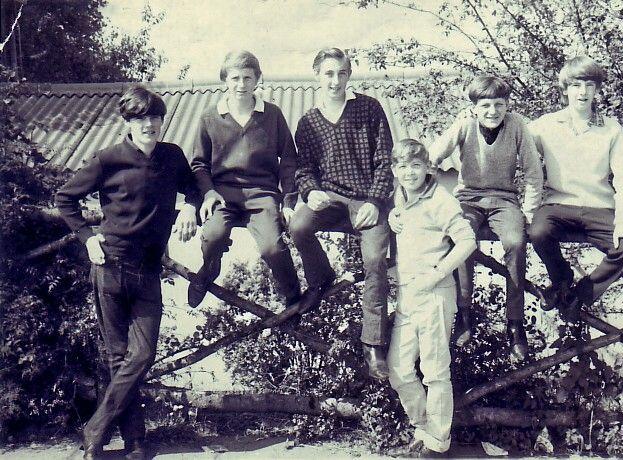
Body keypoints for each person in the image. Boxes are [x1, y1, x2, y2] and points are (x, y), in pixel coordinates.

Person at [55, 86, 200, 460]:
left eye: (154, 117)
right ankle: (135, 441)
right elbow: (65, 199)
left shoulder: (172, 157)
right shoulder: (108, 159)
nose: (149, 124)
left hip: (148, 272)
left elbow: (195, 187)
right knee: (119, 360)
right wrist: (87, 237)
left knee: (143, 355)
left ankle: (95, 428)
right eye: (140, 119)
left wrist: (189, 206)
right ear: (128, 122)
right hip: (110, 267)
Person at [414, 75, 544, 360]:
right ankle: (464, 313)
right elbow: (431, 157)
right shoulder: (464, 123)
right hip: (468, 198)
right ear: (473, 107)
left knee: (515, 241)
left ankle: (515, 323)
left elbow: (534, 172)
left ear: (507, 106)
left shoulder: (517, 125)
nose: (492, 111)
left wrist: (530, 209)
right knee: (462, 239)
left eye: (499, 104)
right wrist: (427, 197)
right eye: (485, 105)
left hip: (504, 200)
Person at [287, 47, 394, 380]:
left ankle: (373, 343)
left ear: (349, 75)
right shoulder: (308, 122)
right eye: (329, 73)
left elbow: (385, 162)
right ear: (317, 74)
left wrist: (376, 202)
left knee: (375, 261)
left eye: (342, 73)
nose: (335, 80)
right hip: (330, 200)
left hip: (367, 201)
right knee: (300, 227)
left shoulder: (369, 108)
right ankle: (321, 279)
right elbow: (303, 168)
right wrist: (311, 191)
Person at [188, 50, 302, 310]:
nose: (241, 85)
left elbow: (288, 159)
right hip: (223, 194)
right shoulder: (209, 116)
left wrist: (288, 201)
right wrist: (207, 192)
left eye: (248, 78)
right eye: (235, 78)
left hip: (262, 194)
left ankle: (294, 299)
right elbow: (199, 163)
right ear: (224, 81)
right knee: (213, 235)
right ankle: (208, 268)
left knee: (273, 248)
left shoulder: (272, 114)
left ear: (257, 79)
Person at [527, 56, 623, 316]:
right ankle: (562, 279)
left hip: (599, 208)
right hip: (558, 205)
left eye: (590, 85)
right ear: (565, 88)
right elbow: (513, 144)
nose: (583, 92)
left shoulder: (611, 129)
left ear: (597, 90)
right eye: (577, 85)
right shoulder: (546, 124)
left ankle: (578, 297)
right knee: (538, 232)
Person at [386, 139, 476, 457]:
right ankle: (423, 428)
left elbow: (467, 241)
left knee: (436, 372)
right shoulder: (400, 195)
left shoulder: (441, 200)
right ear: (395, 171)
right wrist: (391, 216)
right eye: (402, 167)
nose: (409, 173)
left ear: (427, 167)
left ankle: (438, 443)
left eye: (416, 166)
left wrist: (436, 274)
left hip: (436, 294)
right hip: (408, 296)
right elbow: (400, 217)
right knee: (398, 369)